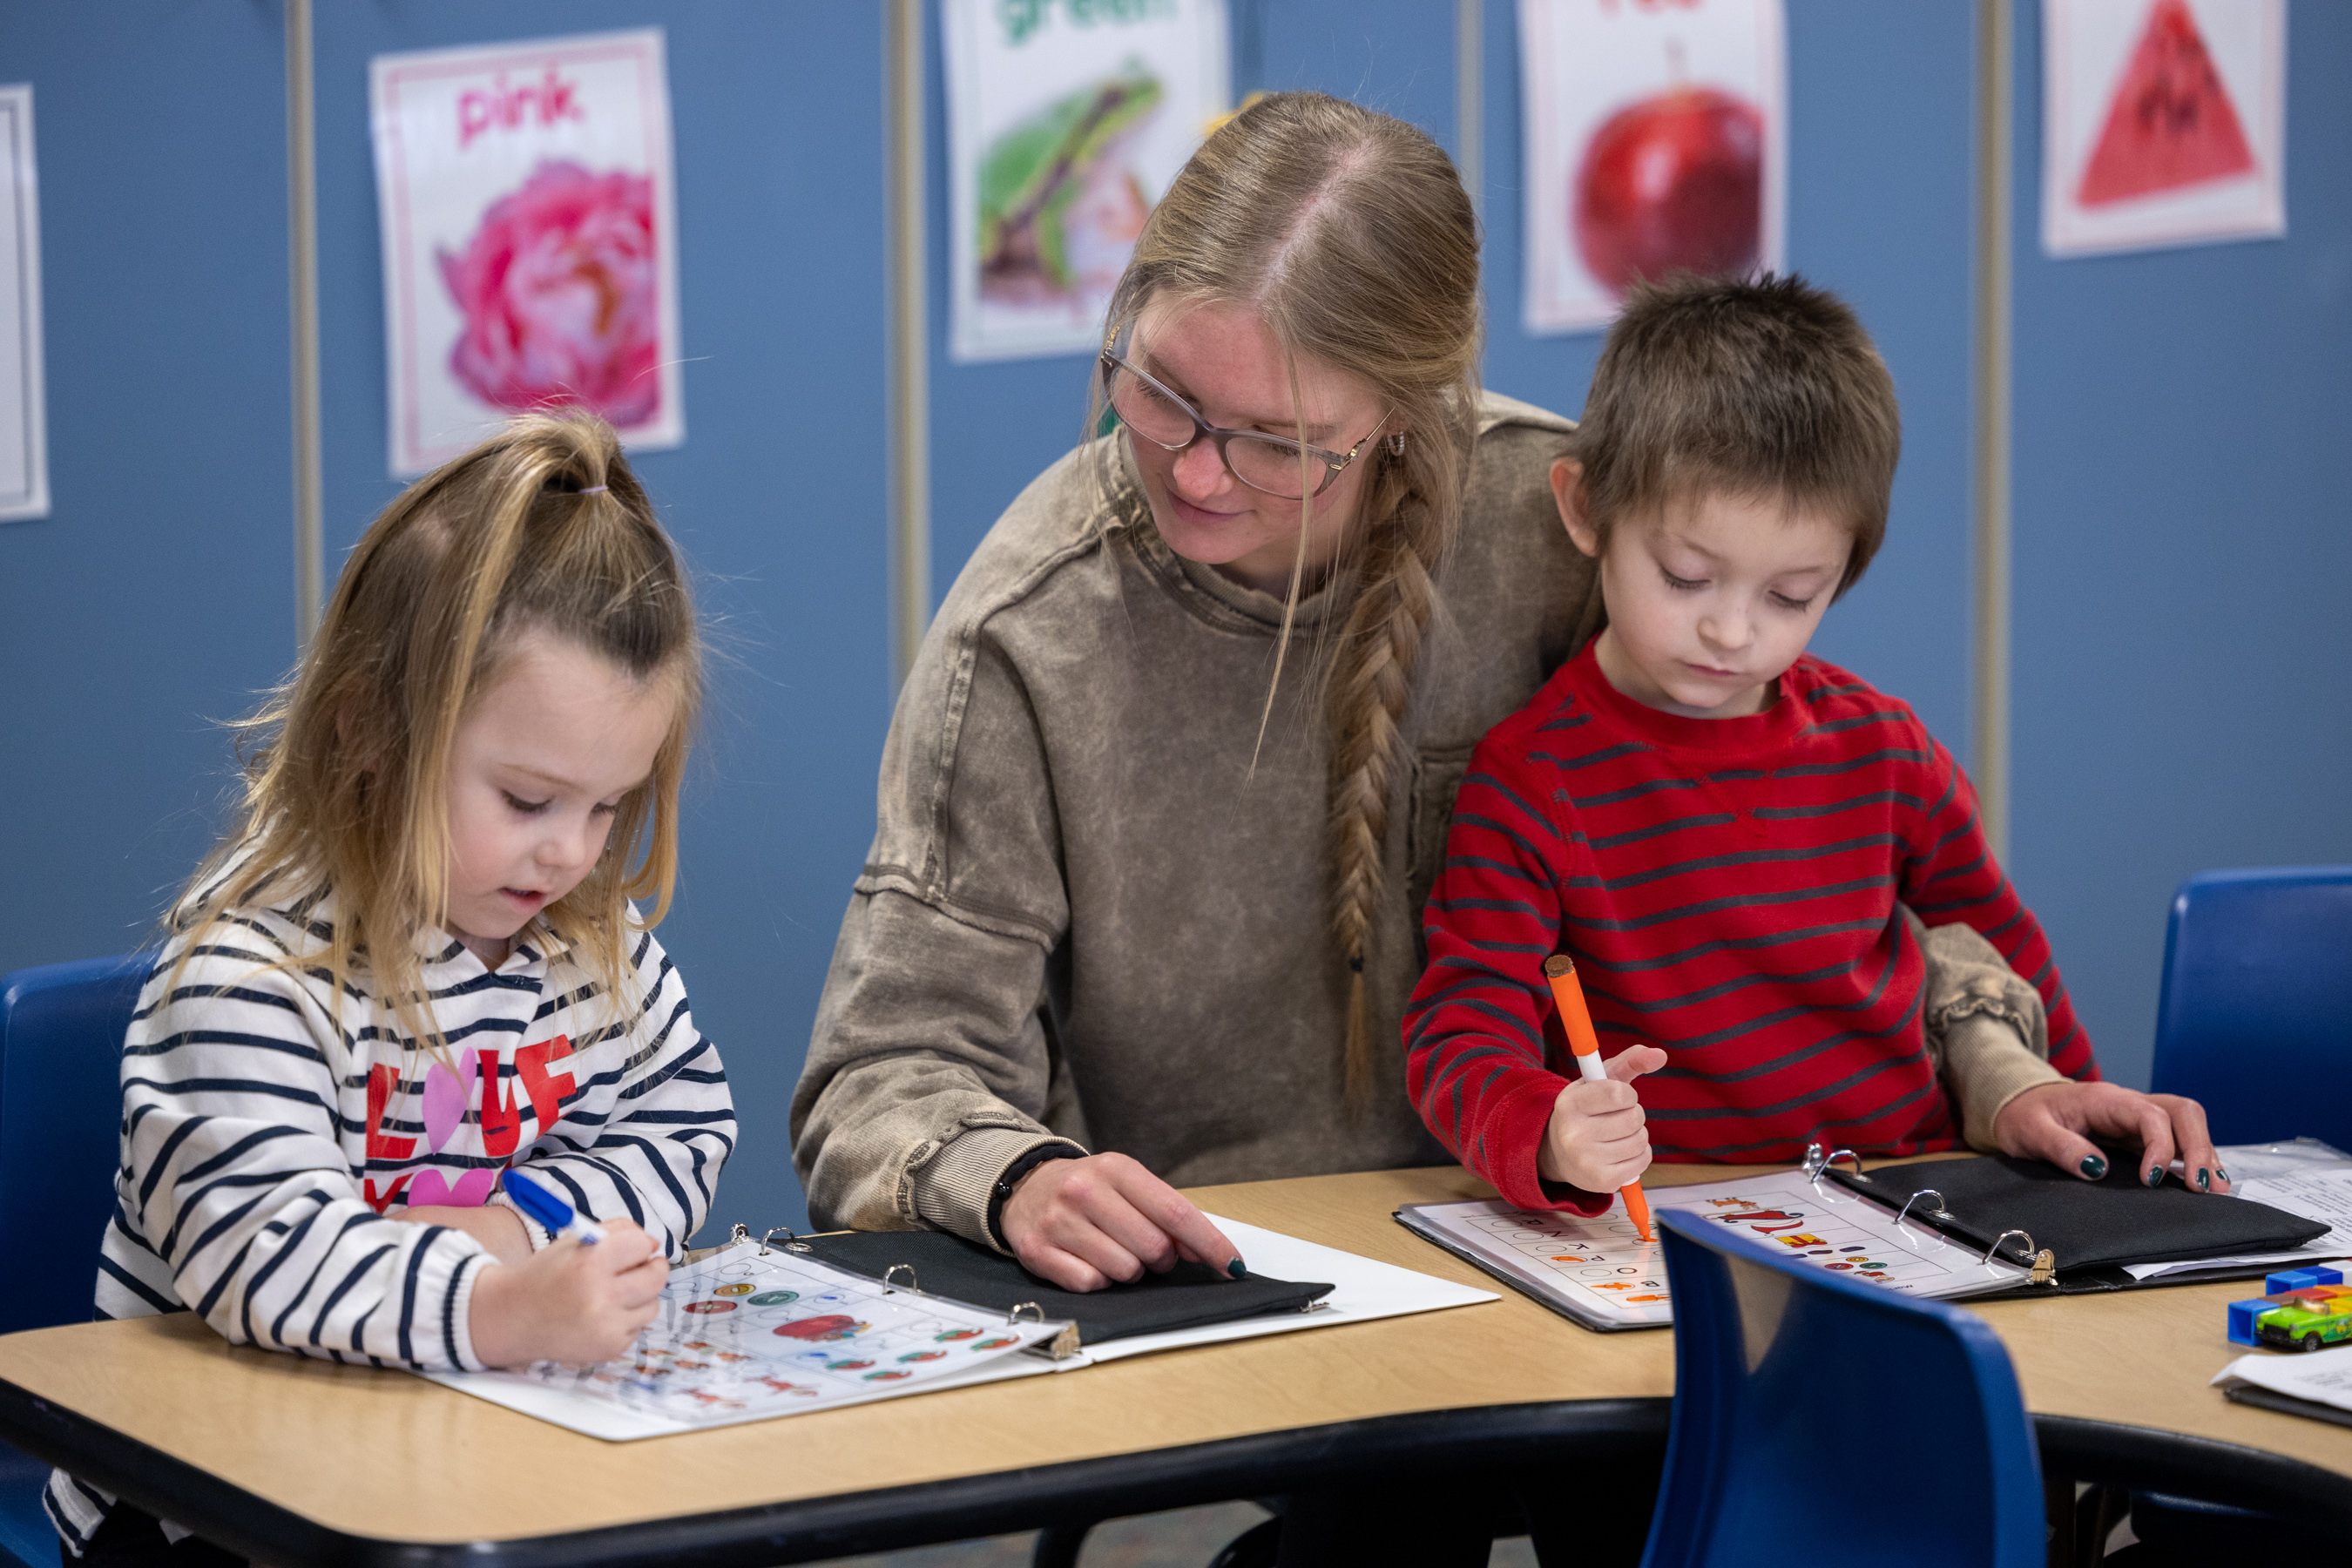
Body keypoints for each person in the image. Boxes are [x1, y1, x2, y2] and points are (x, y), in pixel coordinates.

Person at [792, 92, 2111, 1291]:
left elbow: (1833, 858)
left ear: (1409, 416)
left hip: (1595, 1245)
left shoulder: (1572, 537)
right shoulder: (1035, 631)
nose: (1196, 474)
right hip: (1248, 1277)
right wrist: (1014, 1175)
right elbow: (882, 1079)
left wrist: (1999, 1063)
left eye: (1283, 443)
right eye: (1162, 394)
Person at [48, 414, 735, 1565]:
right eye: (526, 800)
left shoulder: (586, 941)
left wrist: (512, 1229)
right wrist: (492, 1305)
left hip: (467, 1453)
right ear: (370, 727)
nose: (571, 854)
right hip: (204, 1506)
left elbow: (683, 1121)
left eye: (608, 805)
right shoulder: (251, 973)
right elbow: (267, 1258)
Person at [1404, 274, 2227, 1211]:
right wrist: (1548, 1130)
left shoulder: (1884, 752)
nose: (1731, 631)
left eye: (1791, 597)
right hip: (1677, 1223)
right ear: (1587, 509)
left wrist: (2062, 1096)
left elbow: (2006, 952)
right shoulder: (1530, 781)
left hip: (1916, 1201)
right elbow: (1460, 1030)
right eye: (1685, 576)